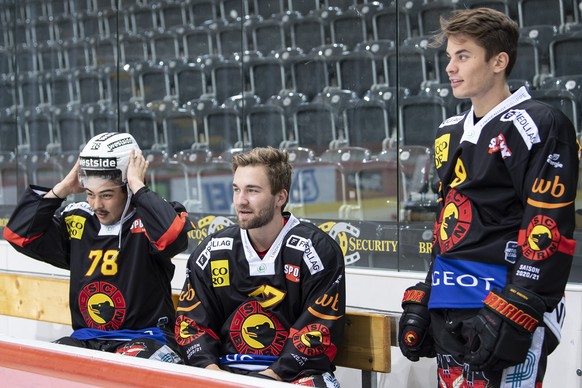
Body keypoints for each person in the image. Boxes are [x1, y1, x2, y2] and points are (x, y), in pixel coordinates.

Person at [397, 8, 580, 387]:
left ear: (499, 61)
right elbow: (449, 222)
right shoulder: (447, 132)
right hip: (451, 302)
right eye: (449, 56)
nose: (450, 67)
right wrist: (428, 290)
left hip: (506, 306)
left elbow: (547, 226)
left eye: (462, 56)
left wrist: (520, 305)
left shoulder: (541, 125)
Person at [3, 132, 192, 363]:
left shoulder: (151, 218)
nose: (97, 205)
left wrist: (137, 184)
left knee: (129, 370)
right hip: (87, 339)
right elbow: (18, 234)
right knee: (43, 365)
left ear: (128, 189)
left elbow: (173, 237)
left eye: (107, 195)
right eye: (90, 194)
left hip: (146, 338)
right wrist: (63, 188)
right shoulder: (78, 218)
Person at [175, 147, 345, 387]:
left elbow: (317, 330)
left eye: (252, 191)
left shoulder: (316, 252)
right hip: (224, 372)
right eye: (236, 190)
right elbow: (191, 324)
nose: (241, 200)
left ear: (280, 197)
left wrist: (268, 378)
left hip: (291, 376)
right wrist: (214, 374)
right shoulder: (214, 251)